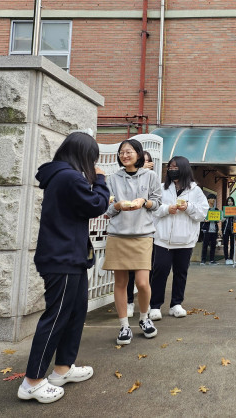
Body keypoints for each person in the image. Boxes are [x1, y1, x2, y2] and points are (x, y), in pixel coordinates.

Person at [18, 132, 110, 404]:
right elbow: (96, 205)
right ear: (84, 155)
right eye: (92, 158)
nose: (93, 164)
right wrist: (102, 180)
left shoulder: (62, 176)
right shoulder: (68, 177)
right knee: (57, 317)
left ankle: (62, 369)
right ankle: (32, 381)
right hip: (63, 258)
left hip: (69, 257)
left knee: (74, 312)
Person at [104, 138, 162, 345]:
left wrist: (144, 202)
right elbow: (107, 210)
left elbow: (158, 203)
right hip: (118, 234)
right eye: (122, 152)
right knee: (120, 283)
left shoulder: (150, 176)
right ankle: (124, 326)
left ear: (138, 154)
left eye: (129, 151)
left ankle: (144, 319)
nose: (125, 155)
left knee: (142, 283)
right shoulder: (112, 179)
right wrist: (118, 205)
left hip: (142, 234)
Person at [148, 156, 208, 321]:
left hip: (186, 240)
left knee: (181, 273)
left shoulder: (195, 191)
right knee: (160, 271)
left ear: (183, 169)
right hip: (163, 239)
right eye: (170, 167)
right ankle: (154, 306)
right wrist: (168, 209)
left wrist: (188, 207)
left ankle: (176, 304)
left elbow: (203, 213)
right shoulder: (161, 188)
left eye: (175, 167)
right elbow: (153, 209)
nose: (171, 169)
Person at [126, 150, 155, 318]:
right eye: (142, 162)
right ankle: (129, 302)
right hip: (127, 230)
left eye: (148, 162)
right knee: (128, 272)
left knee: (144, 275)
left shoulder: (153, 180)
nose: (146, 164)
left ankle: (146, 304)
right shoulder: (125, 178)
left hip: (147, 232)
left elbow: (156, 203)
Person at [201, 195, 219, 265]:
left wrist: (218, 220)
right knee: (205, 245)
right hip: (206, 229)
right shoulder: (205, 209)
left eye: (214, 198)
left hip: (214, 230)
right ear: (208, 200)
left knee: (213, 245)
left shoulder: (216, 210)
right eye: (211, 198)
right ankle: (203, 260)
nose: (213, 200)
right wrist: (204, 220)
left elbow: (218, 219)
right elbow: (200, 217)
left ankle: (212, 260)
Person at [222, 196, 236, 265]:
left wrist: (235, 216)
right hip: (225, 229)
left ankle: (231, 258)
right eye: (228, 201)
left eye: (231, 201)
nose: (230, 202)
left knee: (232, 244)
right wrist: (225, 216)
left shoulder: (235, 210)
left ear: (233, 202)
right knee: (225, 244)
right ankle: (226, 258)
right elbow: (221, 220)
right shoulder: (224, 210)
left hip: (233, 229)